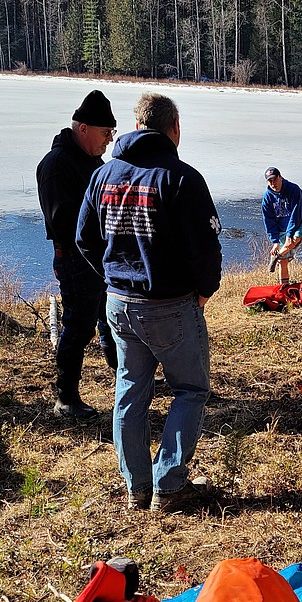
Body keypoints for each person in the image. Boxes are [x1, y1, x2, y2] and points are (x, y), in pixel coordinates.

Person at [77, 93, 223, 513]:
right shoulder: (180, 177)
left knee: (130, 391)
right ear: (173, 128)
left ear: (138, 126)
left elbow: (84, 238)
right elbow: (206, 248)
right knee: (190, 389)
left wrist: (111, 277)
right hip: (170, 305)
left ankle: (137, 485)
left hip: (120, 304)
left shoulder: (103, 176)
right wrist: (204, 289)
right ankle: (169, 484)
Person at [36, 89, 118, 419]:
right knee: (78, 326)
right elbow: (62, 220)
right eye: (105, 133)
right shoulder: (56, 165)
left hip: (100, 257)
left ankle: (124, 377)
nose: (109, 140)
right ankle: (66, 397)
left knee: (111, 320)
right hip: (73, 258)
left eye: (112, 133)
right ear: (82, 128)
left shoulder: (92, 161)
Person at [261, 167, 302, 284]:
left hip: (299, 223)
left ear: (280, 177)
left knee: (296, 238)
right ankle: (284, 287)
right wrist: (275, 242)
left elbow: (295, 214)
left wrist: (289, 236)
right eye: (270, 181)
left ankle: (276, 256)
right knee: (283, 262)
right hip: (281, 230)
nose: (273, 183)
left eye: (275, 180)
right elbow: (269, 221)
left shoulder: (294, 190)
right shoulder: (267, 198)